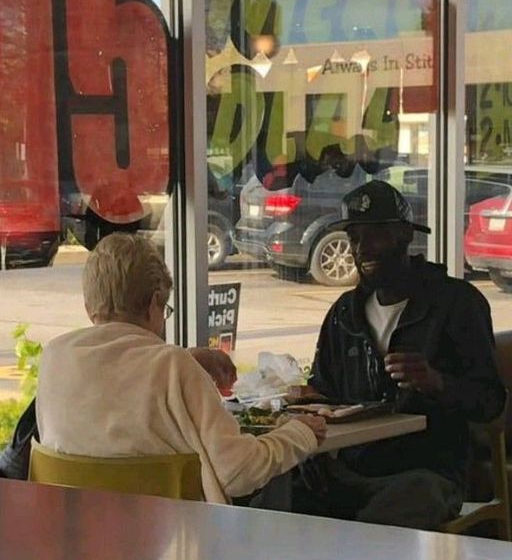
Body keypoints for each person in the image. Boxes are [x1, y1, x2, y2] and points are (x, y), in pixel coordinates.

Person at [35, 233, 326, 503]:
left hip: (75, 535)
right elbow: (239, 473)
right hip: (172, 539)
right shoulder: (174, 368)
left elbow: (113, 374)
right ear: (154, 304)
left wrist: (186, 359)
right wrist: (299, 433)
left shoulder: (55, 358)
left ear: (89, 306)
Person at [292, 180, 506, 530]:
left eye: (375, 235)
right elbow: (323, 393)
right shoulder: (344, 313)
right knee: (271, 488)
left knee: (399, 509)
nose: (362, 248)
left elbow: (491, 403)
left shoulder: (457, 304)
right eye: (354, 237)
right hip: (350, 470)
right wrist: (302, 400)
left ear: (405, 235)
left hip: (427, 471)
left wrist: (436, 382)